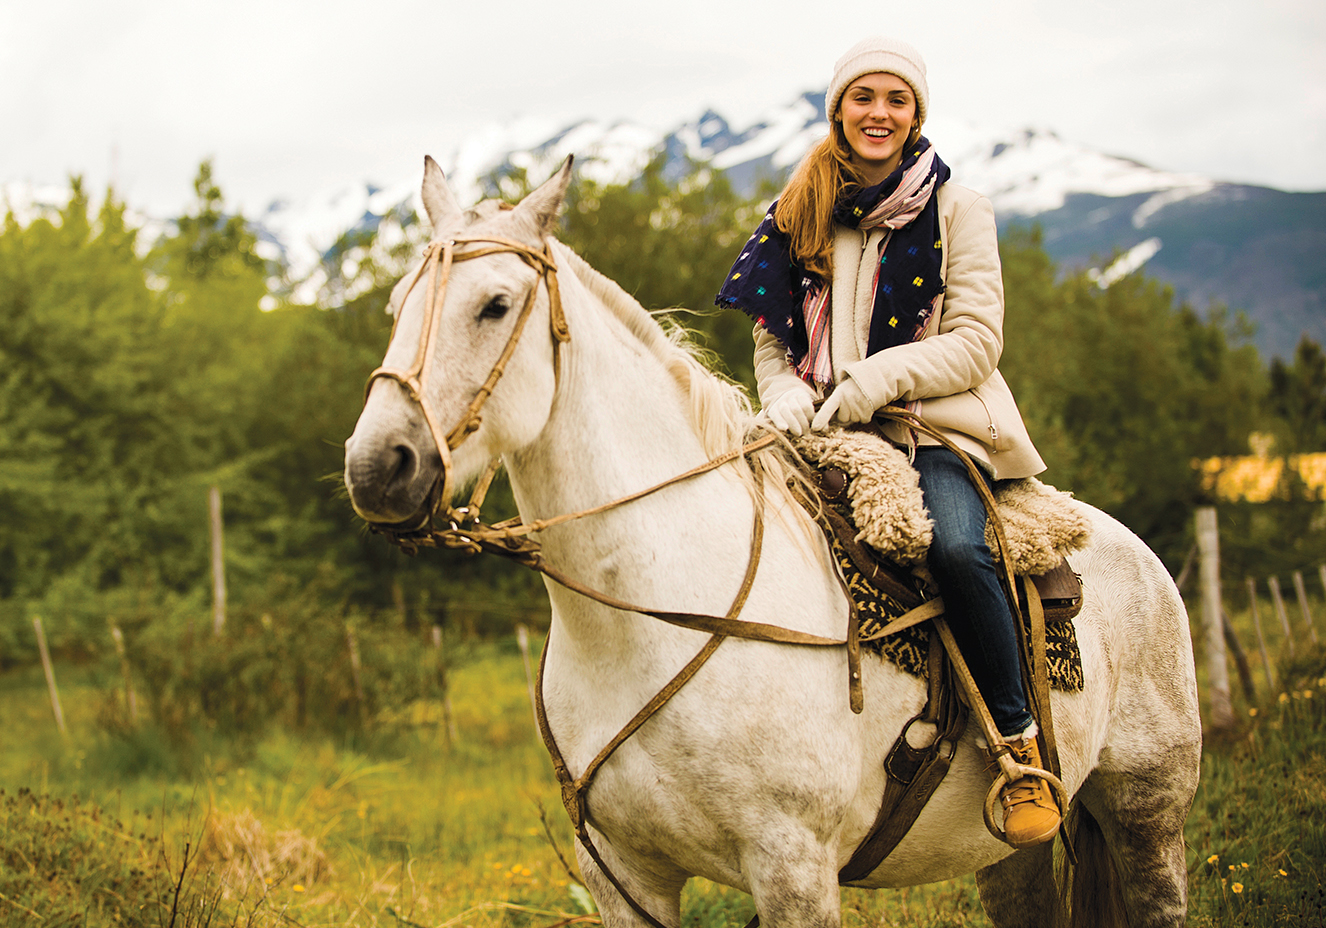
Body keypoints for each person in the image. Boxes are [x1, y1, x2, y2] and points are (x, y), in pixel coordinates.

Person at [716, 35, 1060, 849]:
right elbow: (774, 337)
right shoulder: (800, 207)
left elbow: (977, 343)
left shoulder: (957, 208)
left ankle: (1018, 746)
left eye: (896, 100)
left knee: (957, 549)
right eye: (863, 98)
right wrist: (784, 393)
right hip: (818, 430)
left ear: (916, 115)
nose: (879, 113)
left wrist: (872, 382)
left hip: (932, 428)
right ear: (839, 110)